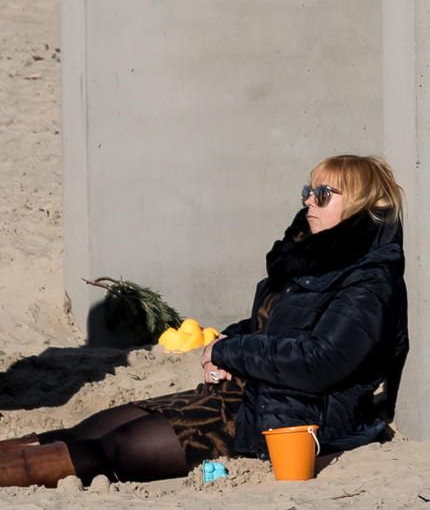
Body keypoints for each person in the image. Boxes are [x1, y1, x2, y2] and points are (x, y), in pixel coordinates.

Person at [0, 157, 409, 488]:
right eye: (308, 191)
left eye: (322, 195)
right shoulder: (311, 257)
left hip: (288, 418)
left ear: (359, 207)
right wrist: (231, 339)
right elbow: (276, 326)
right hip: (245, 394)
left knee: (115, 448)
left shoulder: (371, 281)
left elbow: (321, 360)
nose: (308, 203)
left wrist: (229, 350)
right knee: (90, 429)